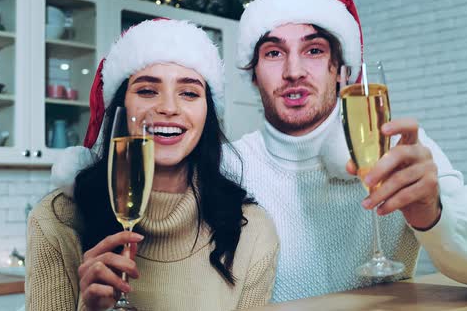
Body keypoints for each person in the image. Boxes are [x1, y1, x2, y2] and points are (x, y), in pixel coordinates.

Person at [223, 0, 467, 303]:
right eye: (273, 53)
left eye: (314, 50)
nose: (294, 71)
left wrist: (434, 216)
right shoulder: (227, 166)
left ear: (341, 69)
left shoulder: (397, 150)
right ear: (253, 73)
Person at [27, 19, 279, 311]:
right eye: (147, 91)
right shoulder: (57, 221)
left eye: (189, 93)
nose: (169, 108)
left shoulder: (252, 231)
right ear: (121, 107)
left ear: (208, 113)